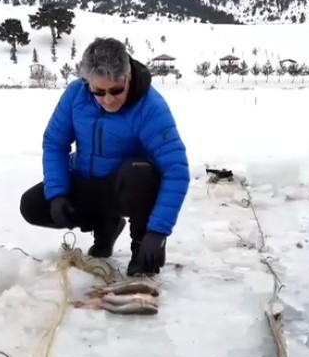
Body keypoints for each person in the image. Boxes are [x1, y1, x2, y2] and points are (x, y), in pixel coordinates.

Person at [20, 37, 190, 276]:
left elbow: (177, 169)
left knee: (140, 173)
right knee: (33, 205)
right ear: (86, 82)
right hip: (86, 182)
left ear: (128, 75)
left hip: (126, 190)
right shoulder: (75, 96)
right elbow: (54, 143)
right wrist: (57, 193)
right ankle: (105, 226)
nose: (108, 99)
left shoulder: (150, 106)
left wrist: (158, 232)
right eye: (99, 91)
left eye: (116, 90)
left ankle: (140, 246)